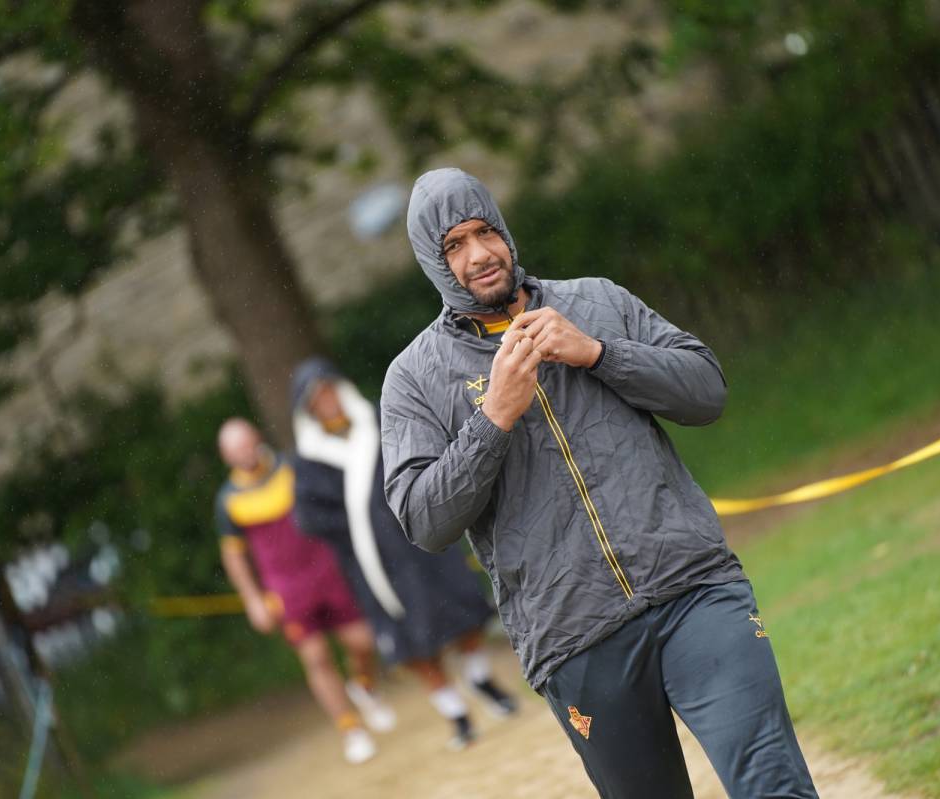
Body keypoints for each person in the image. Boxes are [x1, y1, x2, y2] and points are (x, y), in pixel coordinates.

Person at [379, 168, 818, 798]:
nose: (478, 255)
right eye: (454, 245)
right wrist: (493, 417)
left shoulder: (596, 301)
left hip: (693, 587)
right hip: (573, 637)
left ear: (504, 231)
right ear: (432, 260)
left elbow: (706, 391)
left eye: (484, 232)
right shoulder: (414, 379)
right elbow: (424, 521)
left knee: (773, 784)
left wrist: (599, 353)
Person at [290, 357, 518, 751]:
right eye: (317, 399)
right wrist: (361, 518)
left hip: (419, 539)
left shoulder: (380, 422)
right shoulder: (310, 461)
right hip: (373, 563)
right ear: (308, 409)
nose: (327, 402)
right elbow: (310, 518)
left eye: (329, 392)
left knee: (464, 612)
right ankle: (456, 713)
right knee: (410, 641)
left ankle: (480, 679)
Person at [214, 418, 396, 764]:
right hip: (286, 590)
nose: (244, 452)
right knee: (316, 657)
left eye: (246, 442)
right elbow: (234, 556)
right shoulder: (228, 500)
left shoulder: (291, 467)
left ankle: (364, 686)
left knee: (363, 642)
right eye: (235, 449)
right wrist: (252, 600)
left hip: (327, 572)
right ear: (226, 456)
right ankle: (351, 729)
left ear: (257, 438)